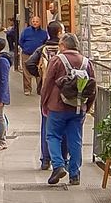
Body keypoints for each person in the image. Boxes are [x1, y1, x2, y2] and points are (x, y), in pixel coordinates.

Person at [40, 32, 95, 186]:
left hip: (57, 106)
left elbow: (48, 83)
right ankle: (75, 174)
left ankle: (58, 165)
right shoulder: (86, 62)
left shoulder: (57, 60)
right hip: (78, 107)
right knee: (75, 140)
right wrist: (87, 106)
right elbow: (93, 87)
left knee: (52, 136)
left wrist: (44, 103)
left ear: (63, 45)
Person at [27, 22, 63, 169]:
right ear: (60, 32)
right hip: (62, 90)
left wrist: (40, 77)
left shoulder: (42, 49)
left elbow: (29, 63)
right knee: (63, 126)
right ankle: (61, 159)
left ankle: (45, 159)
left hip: (46, 91)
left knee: (46, 124)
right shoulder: (63, 49)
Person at [19, 15, 48, 93]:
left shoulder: (44, 33)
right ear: (31, 22)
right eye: (33, 21)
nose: (35, 23)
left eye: (37, 21)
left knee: (39, 72)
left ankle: (40, 89)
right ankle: (27, 89)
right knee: (26, 72)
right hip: (26, 53)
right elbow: (21, 41)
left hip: (38, 55)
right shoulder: (26, 31)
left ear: (40, 22)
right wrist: (25, 48)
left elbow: (45, 43)